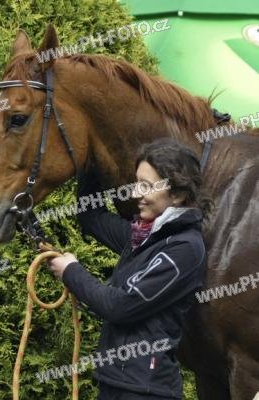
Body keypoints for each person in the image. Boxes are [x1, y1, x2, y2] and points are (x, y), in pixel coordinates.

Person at [49, 138, 209, 399]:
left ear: (178, 194)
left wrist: (71, 271)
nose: (135, 194)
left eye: (146, 186)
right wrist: (91, 158)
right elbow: (91, 216)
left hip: (145, 391)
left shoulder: (185, 248)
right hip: (116, 382)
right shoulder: (143, 237)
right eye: (137, 183)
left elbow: (120, 306)